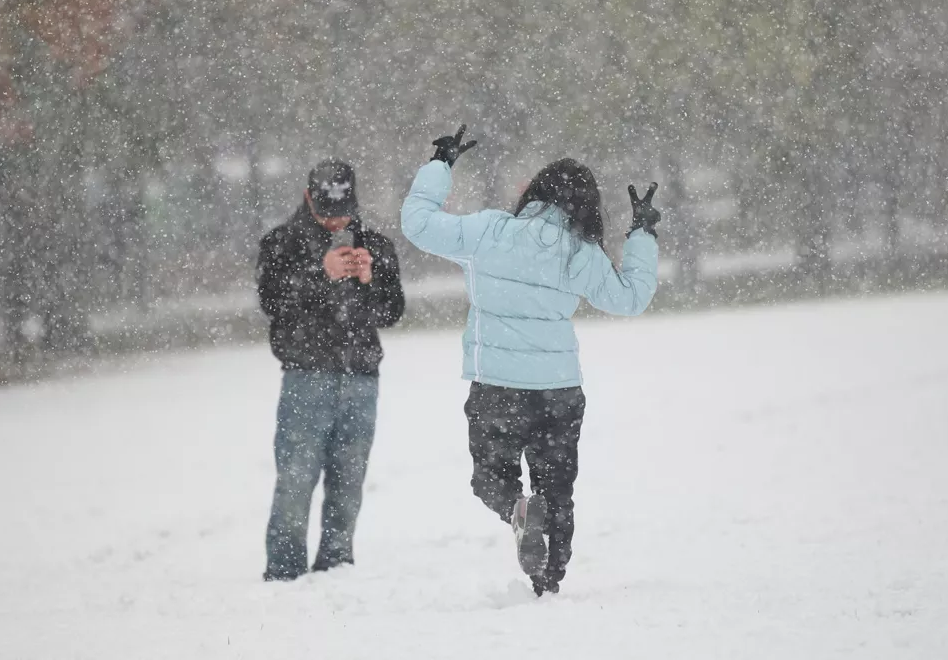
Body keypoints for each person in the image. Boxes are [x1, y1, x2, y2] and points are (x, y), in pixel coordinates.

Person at [400, 126, 661, 596]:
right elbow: (631, 298)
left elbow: (417, 223)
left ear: (537, 191)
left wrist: (441, 164)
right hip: (558, 391)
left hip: (497, 388)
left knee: (490, 479)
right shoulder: (581, 253)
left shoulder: (488, 231)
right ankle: (548, 584)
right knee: (557, 490)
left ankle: (516, 509)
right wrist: (642, 233)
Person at [257, 159, 405, 581]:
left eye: (343, 212)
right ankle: (284, 570)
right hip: (306, 376)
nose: (336, 221)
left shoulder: (374, 244)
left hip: (361, 377)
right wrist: (319, 274)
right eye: (327, 212)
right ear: (308, 198)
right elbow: (272, 302)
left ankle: (337, 564)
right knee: (295, 479)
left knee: (349, 481)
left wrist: (370, 279)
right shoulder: (282, 244)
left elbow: (392, 312)